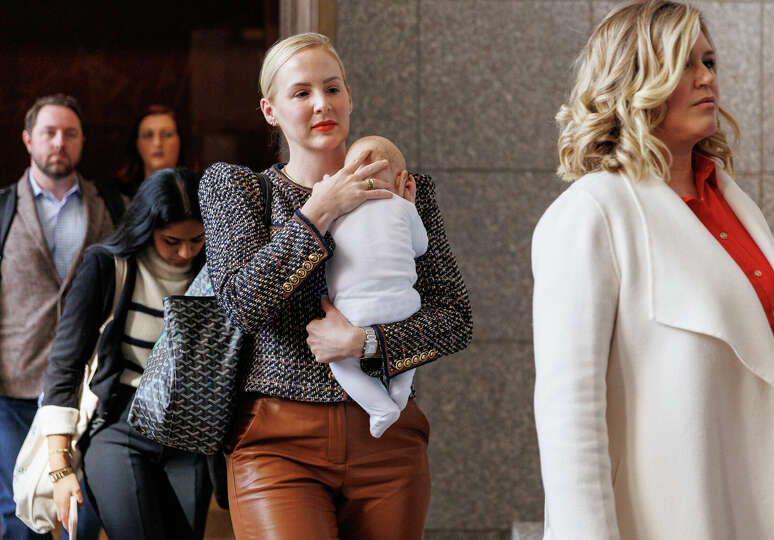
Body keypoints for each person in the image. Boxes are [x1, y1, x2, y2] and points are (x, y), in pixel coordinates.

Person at [531, 2, 774, 539]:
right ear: (634, 76)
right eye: (684, 63)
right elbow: (569, 413)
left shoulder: (735, 207)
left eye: (709, 61)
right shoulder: (592, 212)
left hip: (757, 516)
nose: (707, 77)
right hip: (662, 517)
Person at [198, 33, 471, 540]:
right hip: (277, 444)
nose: (321, 104)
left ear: (350, 97)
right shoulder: (238, 188)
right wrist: (321, 210)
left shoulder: (404, 190)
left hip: (387, 440)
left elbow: (454, 320)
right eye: (301, 93)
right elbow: (242, 306)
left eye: (332, 88)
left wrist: (365, 343)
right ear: (271, 111)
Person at [37, 168, 211, 540]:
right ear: (148, 228)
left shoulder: (214, 272)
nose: (185, 252)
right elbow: (65, 365)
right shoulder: (107, 265)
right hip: (120, 422)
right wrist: (60, 466)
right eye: (171, 241)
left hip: (188, 429)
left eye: (196, 240)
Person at [0, 94, 118, 540]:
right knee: (20, 511)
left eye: (70, 133)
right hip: (15, 383)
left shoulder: (108, 206)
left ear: (82, 141)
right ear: (28, 140)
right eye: (49, 132)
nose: (59, 142)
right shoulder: (3, 209)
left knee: (82, 514)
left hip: (85, 386)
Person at [326, 135, 424, 438]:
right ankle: (399, 388)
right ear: (401, 180)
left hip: (353, 309)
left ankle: (379, 406)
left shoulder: (336, 211)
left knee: (342, 365)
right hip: (404, 304)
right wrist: (409, 208)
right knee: (409, 343)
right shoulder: (403, 206)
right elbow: (420, 247)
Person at [114, 105, 182, 197]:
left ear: (180, 141)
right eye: (148, 135)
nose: (157, 143)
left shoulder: (201, 194)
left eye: (167, 135)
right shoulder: (116, 199)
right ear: (137, 143)